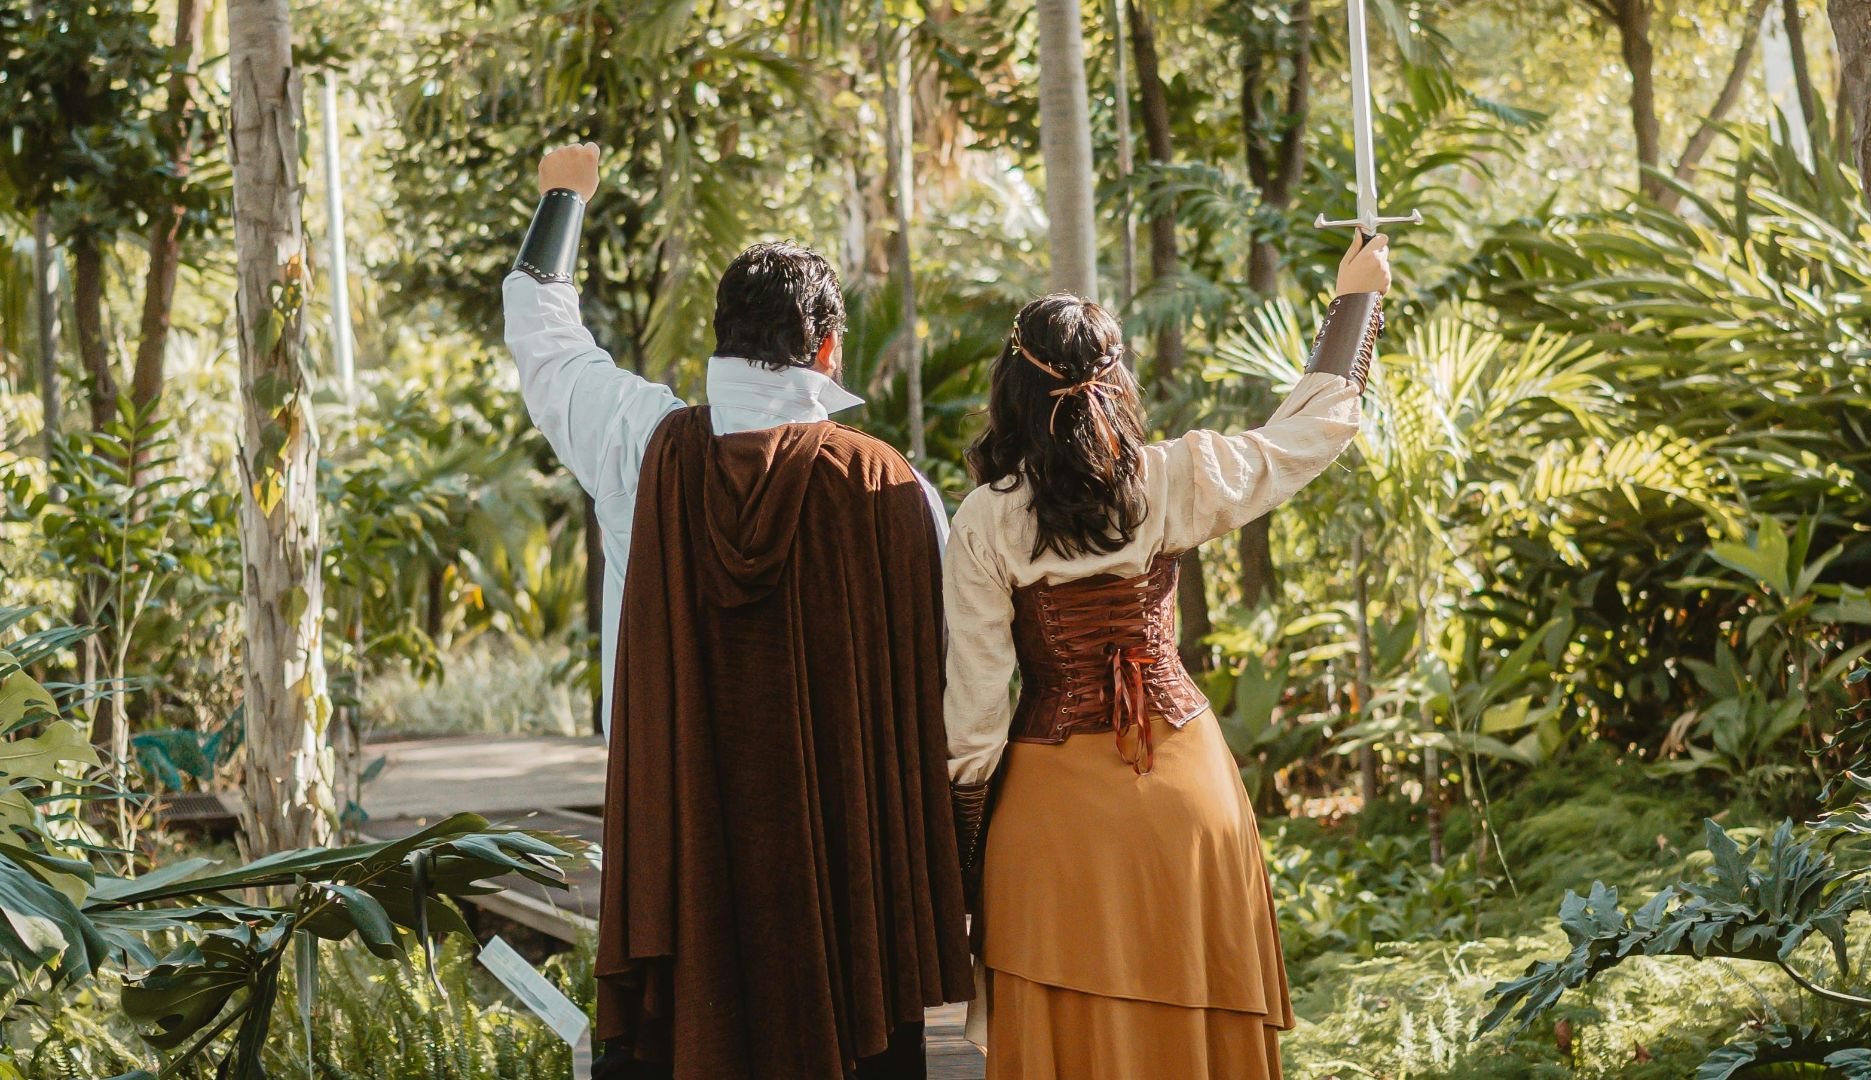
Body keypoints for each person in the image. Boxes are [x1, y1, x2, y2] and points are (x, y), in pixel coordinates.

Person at [502, 142, 972, 1079]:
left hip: (680, 834)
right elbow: (958, 673)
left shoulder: (640, 443)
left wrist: (562, 195)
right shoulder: (892, 483)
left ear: (718, 338)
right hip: (846, 854)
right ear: (828, 348)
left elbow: (546, 344)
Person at [943, 231, 1392, 1078]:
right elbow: (1312, 432)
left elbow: (973, 722)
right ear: (1116, 387)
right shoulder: (1175, 477)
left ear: (1010, 390)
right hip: (1188, 792)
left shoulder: (986, 520)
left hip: (1053, 823)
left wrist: (963, 861)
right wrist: (1355, 301)